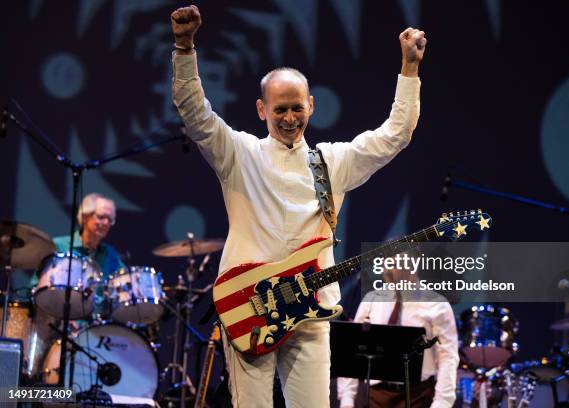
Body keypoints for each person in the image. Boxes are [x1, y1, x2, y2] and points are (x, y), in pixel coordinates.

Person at [171, 5, 426, 407]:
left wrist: (409, 70)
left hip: (312, 313)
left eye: (296, 108)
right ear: (261, 110)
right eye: (279, 109)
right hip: (249, 306)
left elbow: (395, 135)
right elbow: (195, 113)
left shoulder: (333, 162)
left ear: (311, 105)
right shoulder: (240, 154)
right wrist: (185, 49)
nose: (289, 118)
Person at [337, 257, 460, 408]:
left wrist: (442, 403)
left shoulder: (436, 304)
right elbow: (354, 349)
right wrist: (347, 399)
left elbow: (448, 357)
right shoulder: (372, 300)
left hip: (417, 395)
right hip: (376, 395)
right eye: (385, 264)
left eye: (394, 264)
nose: (387, 270)